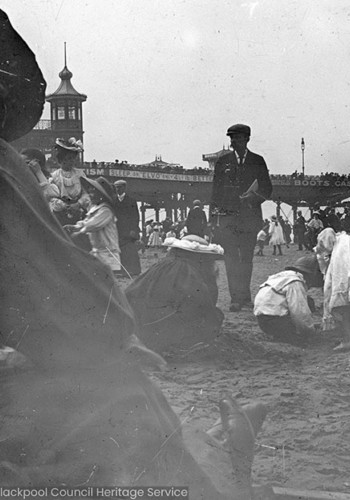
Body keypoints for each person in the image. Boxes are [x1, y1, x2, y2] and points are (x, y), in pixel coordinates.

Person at [0, 11, 265, 497]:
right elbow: (54, 280)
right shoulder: (9, 170)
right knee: (118, 389)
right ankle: (210, 465)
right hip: (55, 307)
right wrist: (114, 336)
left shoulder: (46, 177)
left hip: (57, 285)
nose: (66, 161)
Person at [125, 235, 225, 354]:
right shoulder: (189, 272)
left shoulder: (162, 265)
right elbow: (203, 305)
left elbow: (130, 292)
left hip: (139, 324)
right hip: (168, 328)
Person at [211, 123, 272, 312]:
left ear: (247, 139)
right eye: (231, 138)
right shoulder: (222, 162)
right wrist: (213, 220)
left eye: (237, 138)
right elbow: (215, 192)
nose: (233, 142)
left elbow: (267, 189)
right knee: (231, 259)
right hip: (228, 220)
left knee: (246, 258)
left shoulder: (258, 161)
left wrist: (254, 198)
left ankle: (245, 296)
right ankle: (235, 298)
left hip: (249, 218)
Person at [253, 254, 323, 346]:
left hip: (262, 320)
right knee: (303, 338)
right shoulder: (295, 282)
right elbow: (299, 312)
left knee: (307, 301)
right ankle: (290, 337)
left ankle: (282, 335)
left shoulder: (281, 277)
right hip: (277, 321)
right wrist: (310, 330)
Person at [64, 176, 121, 272]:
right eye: (89, 192)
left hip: (108, 255)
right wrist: (74, 227)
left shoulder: (106, 210)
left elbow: (92, 225)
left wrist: (78, 232)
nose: (90, 195)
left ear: (101, 194)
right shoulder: (95, 208)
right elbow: (85, 222)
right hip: (97, 252)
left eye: (93, 193)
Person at [113, 179, 141, 277]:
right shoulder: (113, 200)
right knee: (119, 249)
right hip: (118, 229)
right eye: (116, 187)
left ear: (124, 188)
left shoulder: (131, 200)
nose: (117, 189)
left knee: (130, 250)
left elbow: (135, 216)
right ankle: (121, 270)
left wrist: (134, 229)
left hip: (129, 229)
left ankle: (134, 270)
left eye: (119, 187)